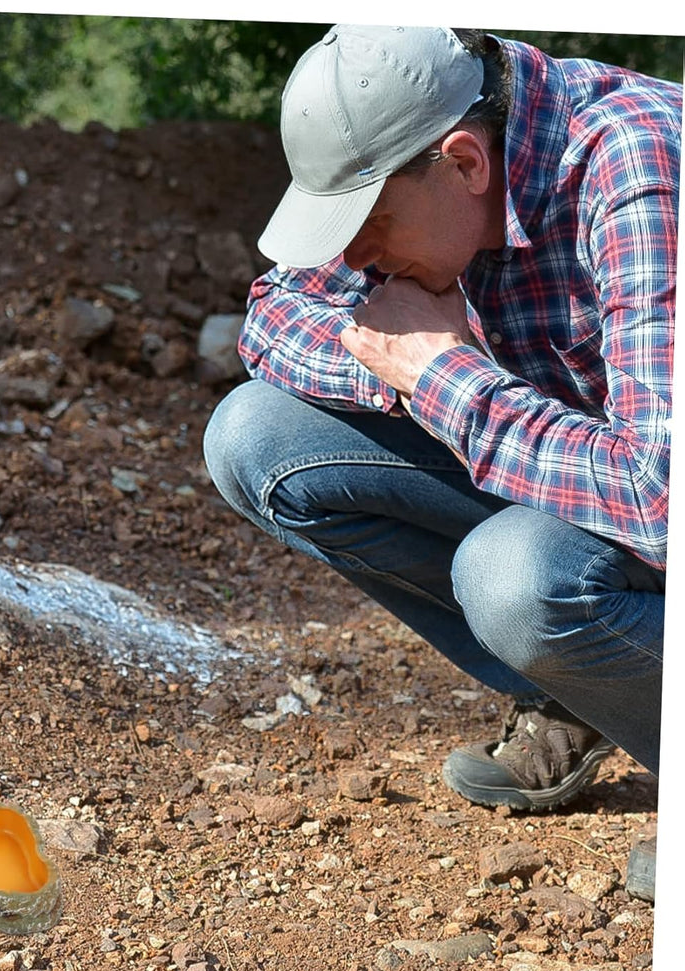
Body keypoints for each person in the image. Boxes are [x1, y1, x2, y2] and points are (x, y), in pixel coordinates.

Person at [204, 25, 679, 811]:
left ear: (464, 161)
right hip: (588, 478)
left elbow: (661, 499)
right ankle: (589, 690)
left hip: (653, 495)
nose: (353, 259)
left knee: (514, 577)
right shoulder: (429, 164)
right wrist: (401, 373)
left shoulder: (640, 170)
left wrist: (440, 377)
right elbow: (274, 312)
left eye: (368, 224)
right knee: (255, 437)